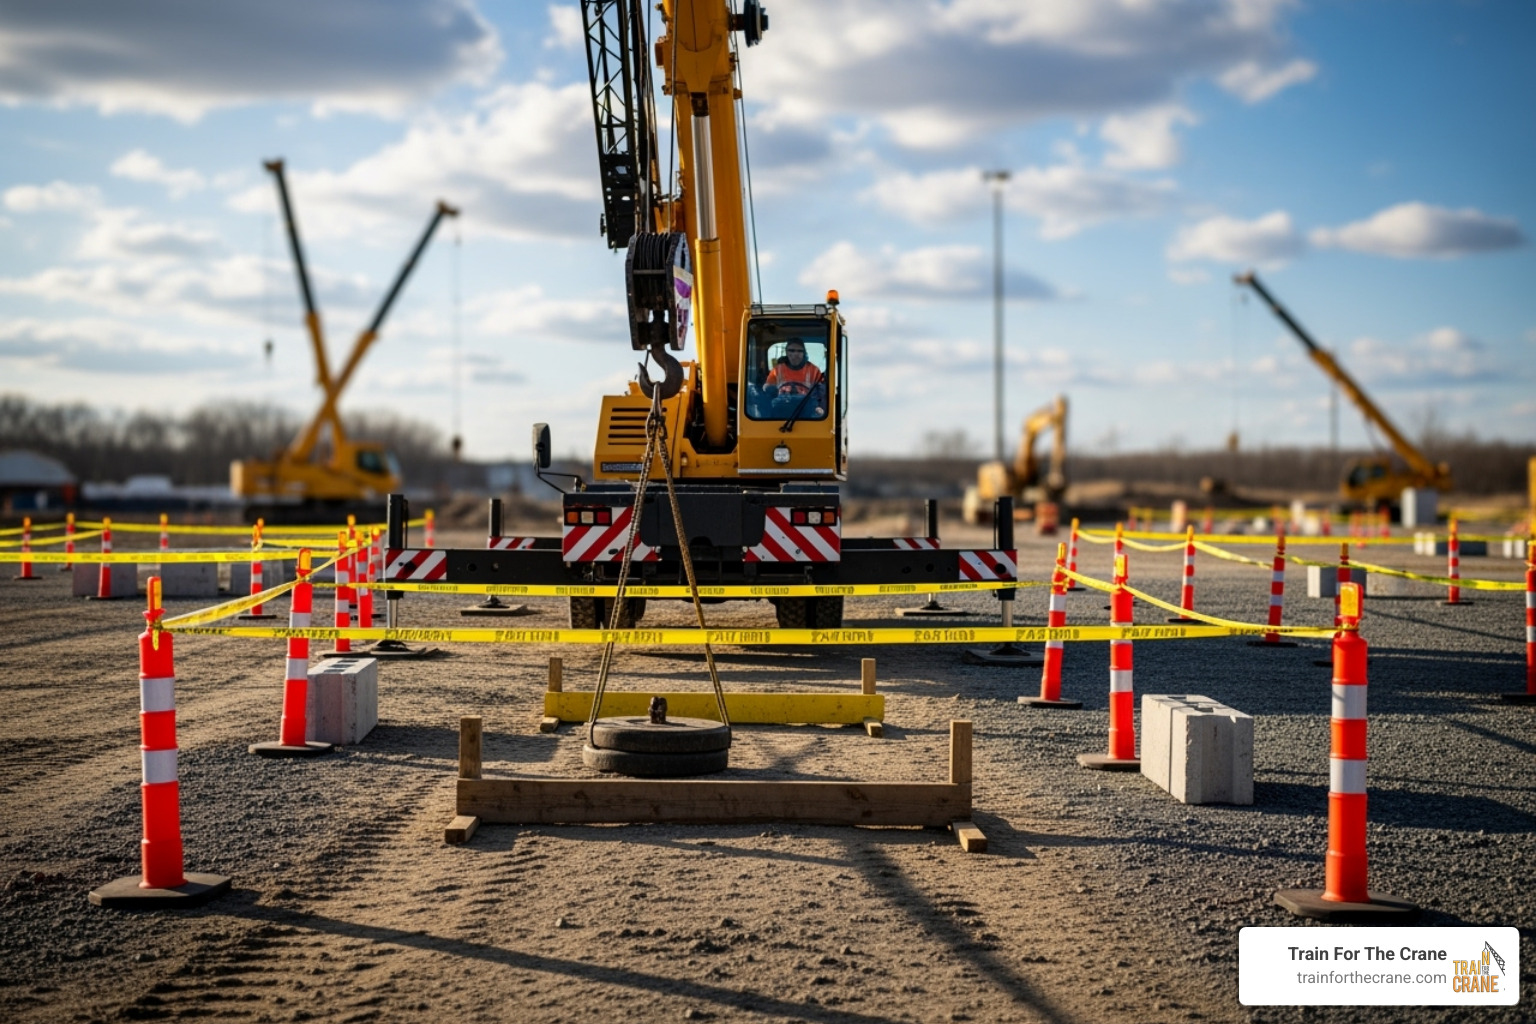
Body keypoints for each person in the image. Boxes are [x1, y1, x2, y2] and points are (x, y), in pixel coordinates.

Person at [762, 341, 825, 416]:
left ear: (804, 353)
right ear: (787, 352)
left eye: (799, 351)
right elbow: (767, 386)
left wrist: (819, 406)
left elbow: (822, 391)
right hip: (782, 405)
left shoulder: (813, 370)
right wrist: (770, 389)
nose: (795, 354)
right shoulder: (777, 370)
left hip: (806, 407)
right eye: (791, 350)